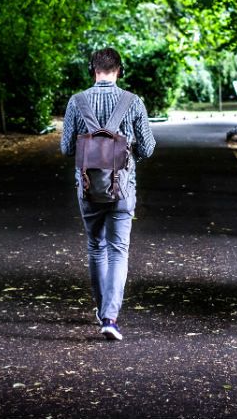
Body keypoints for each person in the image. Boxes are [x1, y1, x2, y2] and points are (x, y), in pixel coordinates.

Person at [60, 48, 155, 340]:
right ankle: (110, 318)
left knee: (96, 247)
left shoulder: (77, 102)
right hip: (123, 188)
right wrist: (128, 149)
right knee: (118, 250)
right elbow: (149, 148)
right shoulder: (133, 101)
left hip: (88, 188)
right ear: (120, 70)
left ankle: (103, 312)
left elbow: (66, 149)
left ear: (93, 70)